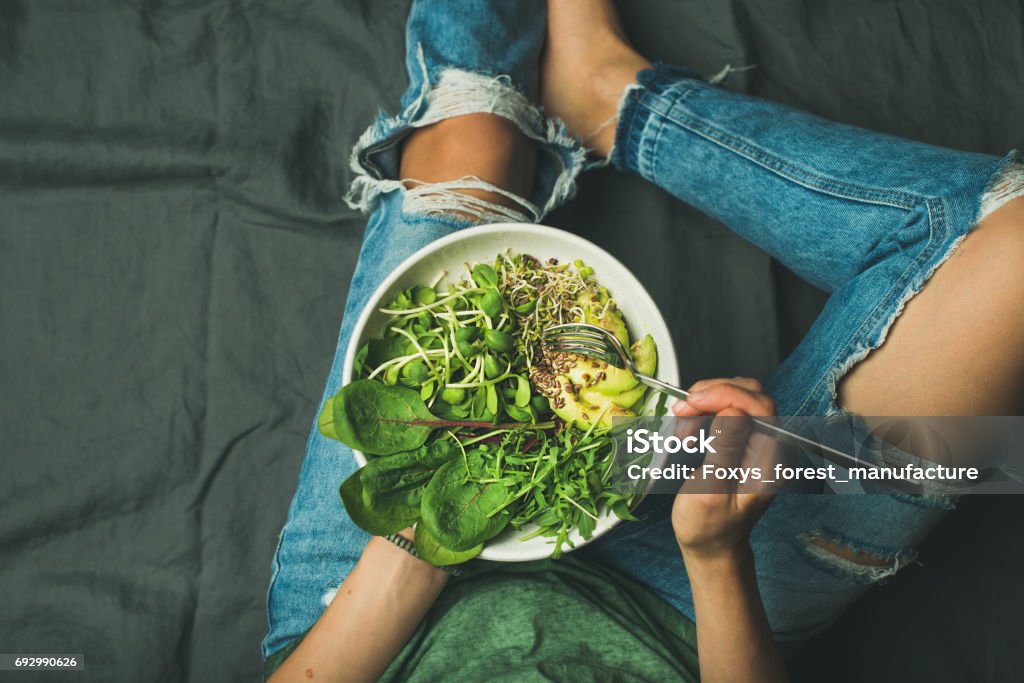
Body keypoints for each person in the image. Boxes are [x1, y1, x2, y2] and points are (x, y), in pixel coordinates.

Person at [262, 1, 1024, 680]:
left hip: (379, 619)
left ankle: (596, 92)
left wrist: (410, 551)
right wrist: (716, 554)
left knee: (472, 133)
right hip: (683, 616)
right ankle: (618, 102)